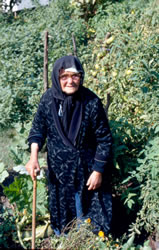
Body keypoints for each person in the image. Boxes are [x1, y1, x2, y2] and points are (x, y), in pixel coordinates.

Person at [25, 55, 113, 236]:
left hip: (87, 173)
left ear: (81, 77)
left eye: (75, 76)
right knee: (63, 213)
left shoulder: (91, 102)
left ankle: (89, 242)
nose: (70, 81)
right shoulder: (48, 100)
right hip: (59, 172)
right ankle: (64, 239)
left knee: (88, 215)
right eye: (64, 77)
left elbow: (104, 139)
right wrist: (34, 157)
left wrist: (98, 171)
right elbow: (37, 130)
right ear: (57, 79)